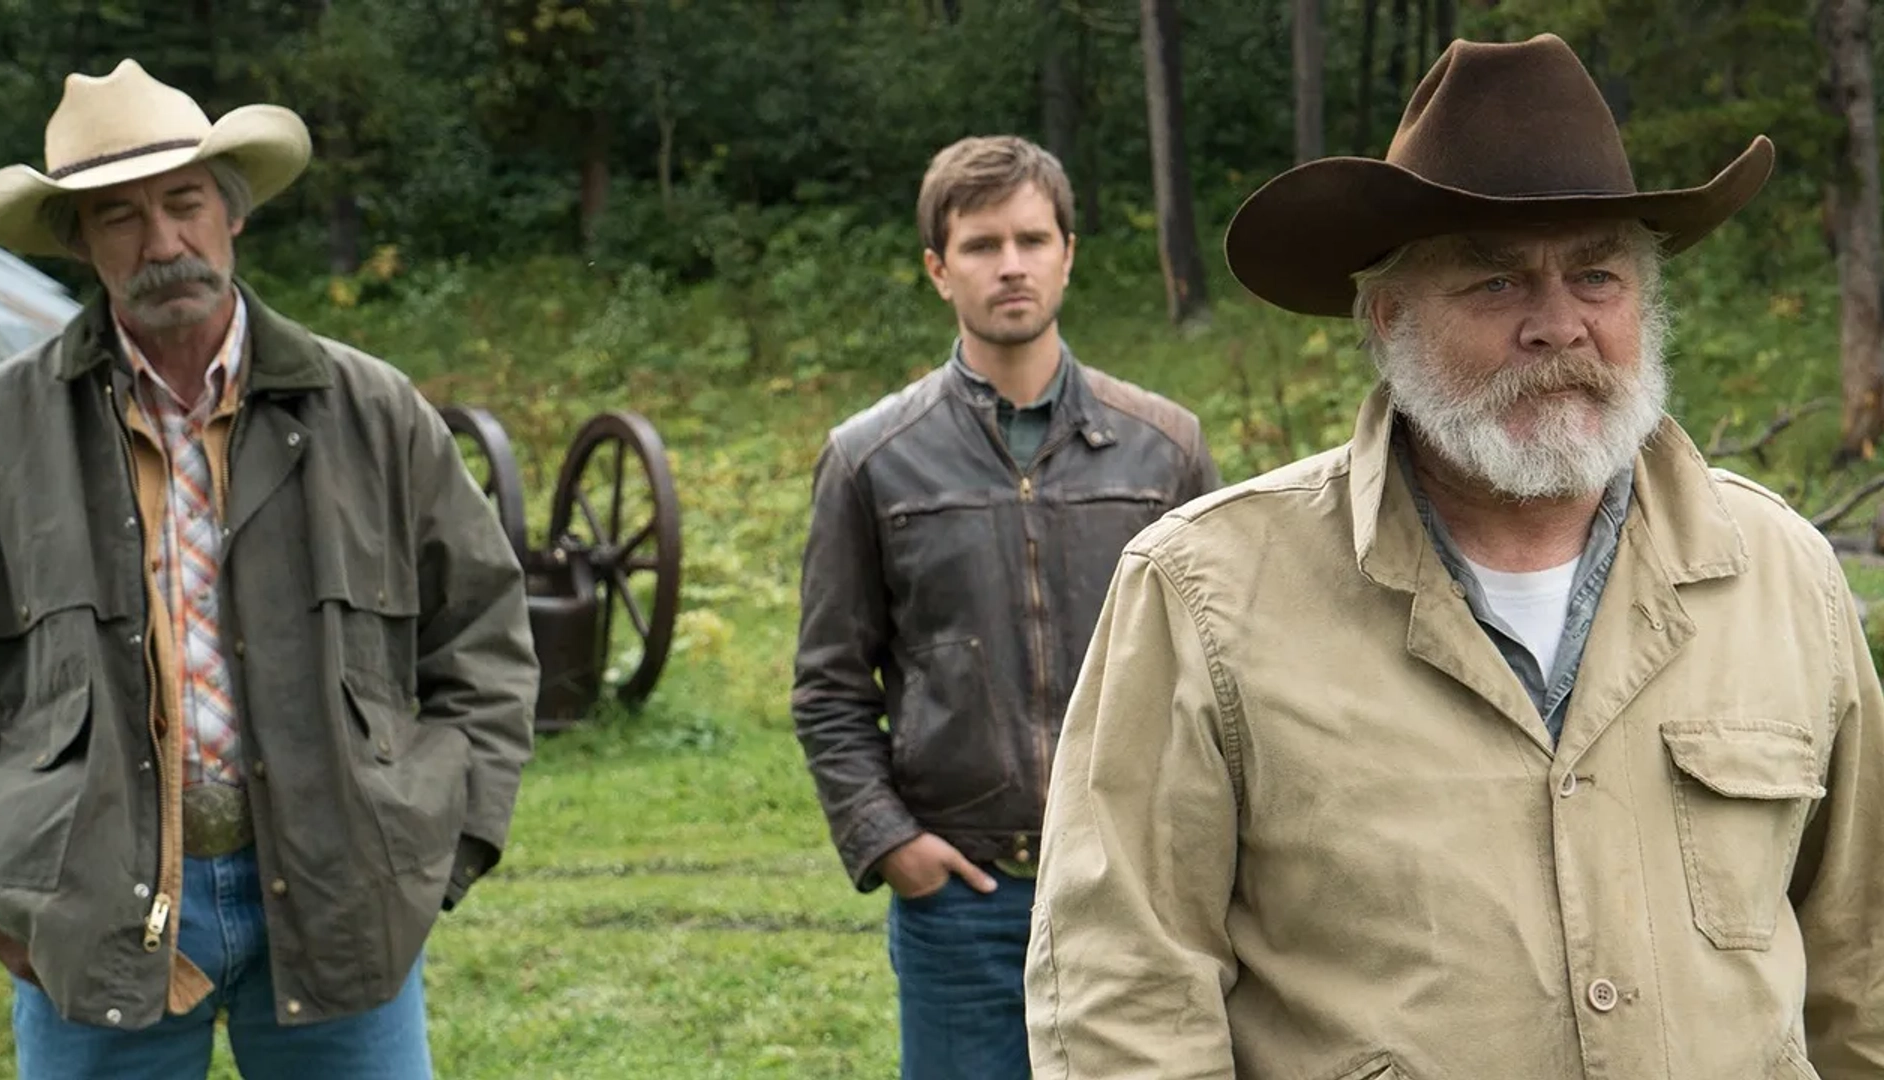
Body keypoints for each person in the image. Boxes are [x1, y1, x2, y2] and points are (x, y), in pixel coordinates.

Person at [1025, 33, 1884, 1079]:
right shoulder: (1205, 593)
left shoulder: (1783, 576)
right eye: (1494, 284)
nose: (1558, 326)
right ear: (1388, 319)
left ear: (1643, 306)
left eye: (1598, 276)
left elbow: (1863, 969)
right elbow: (1125, 999)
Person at [0, 58, 537, 1079]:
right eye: (118, 217)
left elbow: (486, 639)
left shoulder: (373, 410)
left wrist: (436, 857)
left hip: (341, 896)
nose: (162, 243)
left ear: (233, 214)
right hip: (87, 913)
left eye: (185, 203)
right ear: (83, 247)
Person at [790, 134, 1219, 1079]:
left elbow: (1228, 662)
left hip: (1137, 887)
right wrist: (890, 841)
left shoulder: (1165, 451)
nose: (1011, 264)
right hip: (965, 901)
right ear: (939, 269)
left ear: (1069, 252)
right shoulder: (872, 459)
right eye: (982, 245)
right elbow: (827, 684)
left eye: (1032, 238)